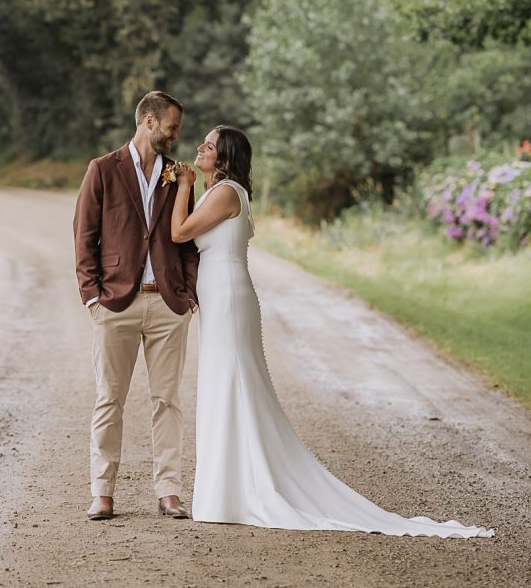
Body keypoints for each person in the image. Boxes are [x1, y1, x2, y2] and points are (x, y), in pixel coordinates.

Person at [170, 126, 494, 538]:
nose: (201, 147)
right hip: (222, 297)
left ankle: (234, 491)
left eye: (210, 145)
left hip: (229, 299)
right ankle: (228, 489)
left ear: (226, 157)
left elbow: (179, 233)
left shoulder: (226, 192)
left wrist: (183, 183)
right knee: (225, 385)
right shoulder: (223, 191)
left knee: (232, 384)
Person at [73, 90, 200, 521]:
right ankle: (102, 492)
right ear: (149, 122)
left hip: (167, 306)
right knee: (110, 399)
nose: (177, 135)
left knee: (168, 400)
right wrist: (93, 298)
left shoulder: (178, 177)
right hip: (116, 304)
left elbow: (188, 240)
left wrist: (188, 295)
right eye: (172, 126)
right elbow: (84, 237)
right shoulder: (103, 170)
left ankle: (169, 491)